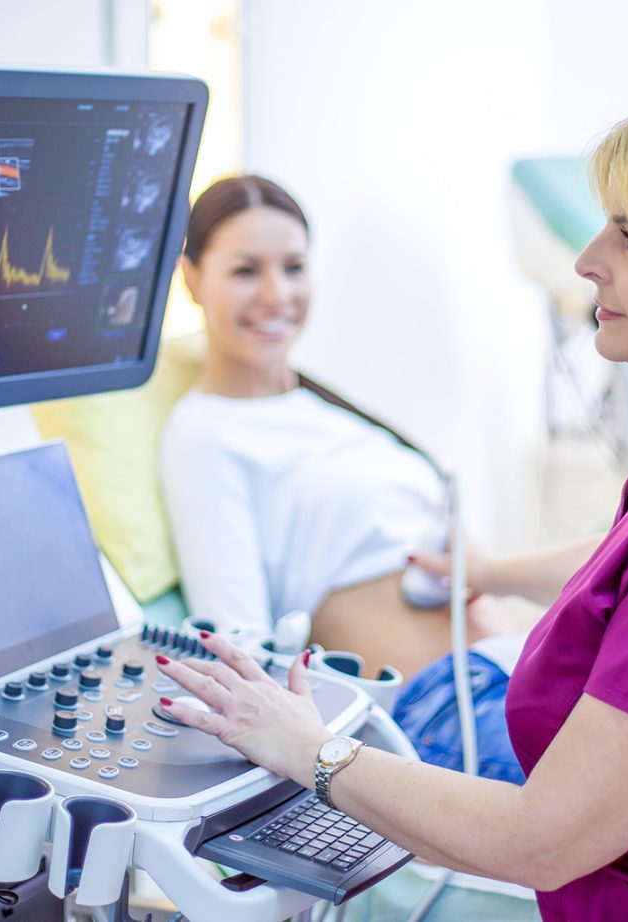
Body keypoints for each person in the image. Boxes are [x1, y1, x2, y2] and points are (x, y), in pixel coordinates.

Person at [156, 79, 628, 919]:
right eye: (245, 270)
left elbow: (544, 838)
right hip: (499, 705)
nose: (585, 257)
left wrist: (316, 753)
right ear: (193, 281)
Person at [160, 174, 532, 782]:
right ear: (192, 278)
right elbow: (241, 646)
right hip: (436, 713)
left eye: (294, 267)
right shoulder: (206, 435)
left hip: (519, 665)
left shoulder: (330, 413)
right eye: (246, 270)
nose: (277, 294)